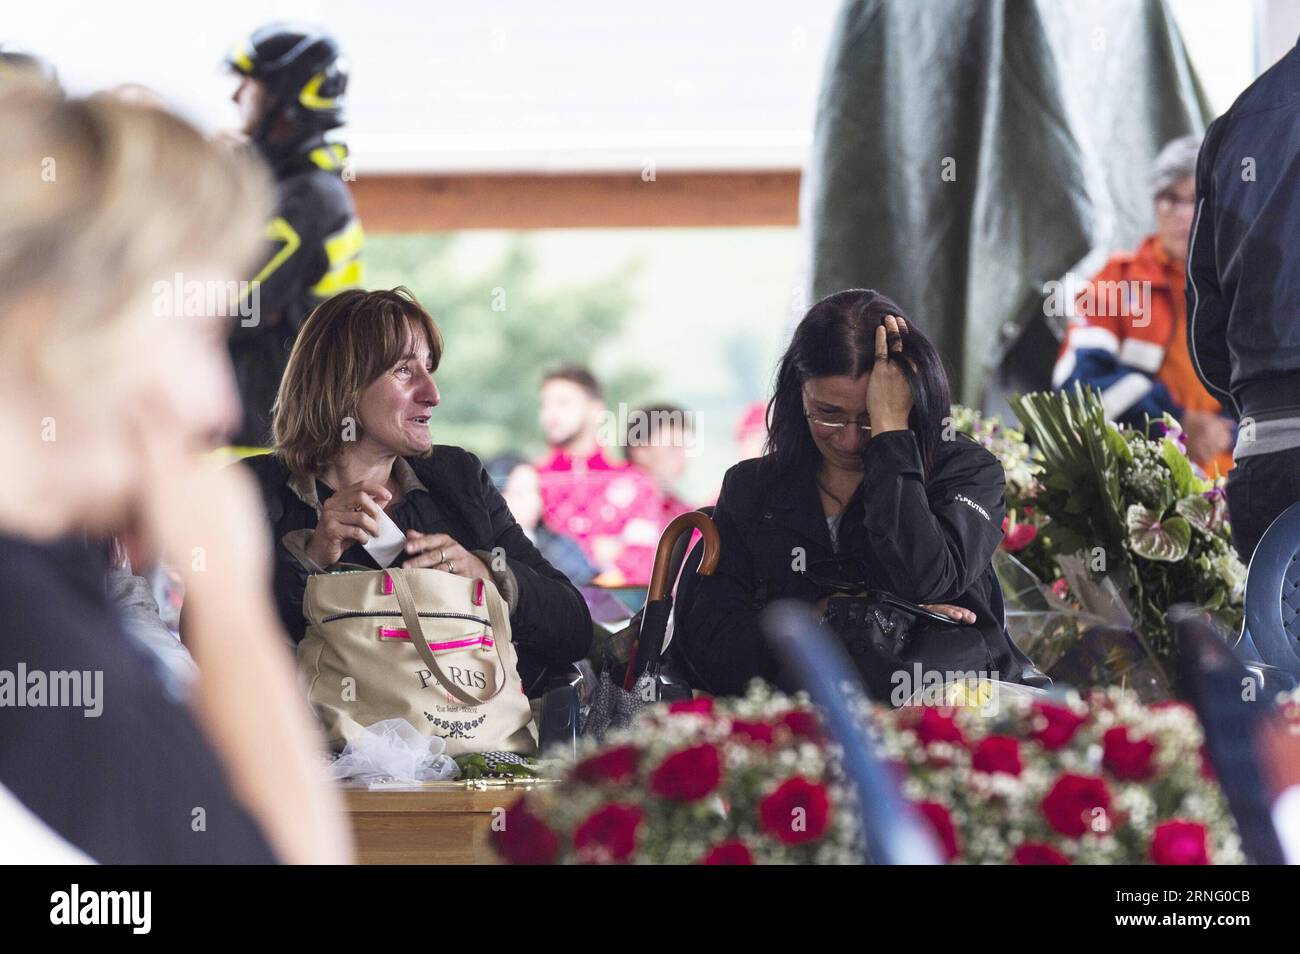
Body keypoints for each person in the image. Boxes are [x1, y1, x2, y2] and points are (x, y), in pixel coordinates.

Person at [0, 86, 350, 863]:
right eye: (197, 334)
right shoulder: (32, 637)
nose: (217, 404)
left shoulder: (54, 585)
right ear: (54, 321)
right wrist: (228, 601)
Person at [679, 289, 1034, 697]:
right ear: (798, 396)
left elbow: (925, 580)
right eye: (828, 414)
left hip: (943, 720)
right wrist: (851, 615)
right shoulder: (752, 487)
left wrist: (891, 435)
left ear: (911, 401)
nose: (849, 441)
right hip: (792, 718)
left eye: (868, 418)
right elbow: (712, 641)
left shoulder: (965, 472)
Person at [244, 288, 591, 692]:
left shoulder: (458, 478)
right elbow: (216, 644)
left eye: (430, 368)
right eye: (405, 371)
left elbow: (574, 627)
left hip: (465, 737)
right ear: (341, 383)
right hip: (319, 746)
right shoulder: (252, 491)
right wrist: (314, 559)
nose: (433, 394)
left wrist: (487, 575)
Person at [1054, 135, 1234, 475]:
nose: (1183, 214)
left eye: (1197, 199)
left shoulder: (1243, 288)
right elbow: (1077, 382)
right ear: (1155, 205)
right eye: (1171, 199)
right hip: (1141, 491)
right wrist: (1174, 422)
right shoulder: (1116, 281)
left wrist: (1229, 433)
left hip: (1235, 491)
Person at [224, 22, 364, 448]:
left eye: (247, 84)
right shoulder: (299, 187)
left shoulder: (305, 197)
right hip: (266, 425)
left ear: (283, 99)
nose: (235, 97)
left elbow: (231, 307)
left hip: (266, 436)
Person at [1188, 40, 1300, 563]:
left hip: (1264, 459)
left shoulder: (1236, 123)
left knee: (1279, 642)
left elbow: (1204, 322)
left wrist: (1257, 404)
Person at [535, 366, 663, 585]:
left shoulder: (635, 482)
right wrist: (598, 549)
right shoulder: (531, 481)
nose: (550, 415)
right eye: (545, 405)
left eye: (563, 403)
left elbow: (647, 564)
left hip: (618, 614)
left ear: (596, 410)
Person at [486, 455, 599, 587]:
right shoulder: (483, 550)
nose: (534, 502)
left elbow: (590, 590)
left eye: (536, 491)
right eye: (521, 493)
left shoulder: (560, 546)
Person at [625, 403, 695, 528]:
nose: (683, 455)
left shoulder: (680, 511)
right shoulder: (610, 504)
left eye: (686, 447)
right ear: (640, 449)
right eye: (673, 446)